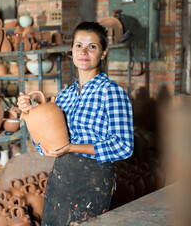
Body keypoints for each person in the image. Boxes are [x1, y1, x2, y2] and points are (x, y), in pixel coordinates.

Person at [17, 21, 134, 225]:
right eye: (79, 45)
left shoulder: (111, 92)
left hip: (93, 181)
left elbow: (123, 147)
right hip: (61, 177)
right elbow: (43, 142)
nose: (84, 52)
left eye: (92, 47)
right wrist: (29, 113)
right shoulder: (65, 96)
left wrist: (71, 147)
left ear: (103, 53)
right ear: (72, 51)